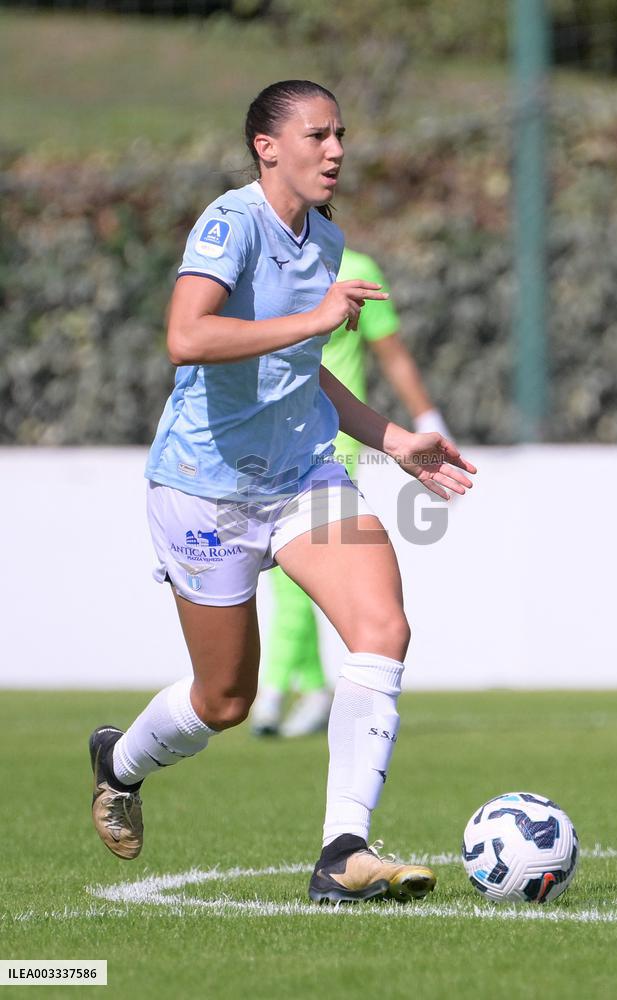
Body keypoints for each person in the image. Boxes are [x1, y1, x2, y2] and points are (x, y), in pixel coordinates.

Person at [88, 79, 476, 905]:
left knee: (383, 626)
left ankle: (344, 848)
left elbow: (306, 380)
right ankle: (119, 763)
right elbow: (186, 336)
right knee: (225, 699)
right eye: (316, 135)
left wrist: (393, 439)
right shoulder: (231, 221)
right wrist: (312, 319)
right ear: (267, 146)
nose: (335, 150)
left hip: (301, 477)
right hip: (204, 490)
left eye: (341, 135)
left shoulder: (327, 241)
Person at [252, 246, 451, 738]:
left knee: (307, 556)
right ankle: (315, 688)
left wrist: (427, 420)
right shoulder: (268, 269)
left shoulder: (359, 269)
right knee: (284, 570)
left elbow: (391, 353)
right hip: (276, 432)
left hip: (336, 436)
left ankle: (273, 692)